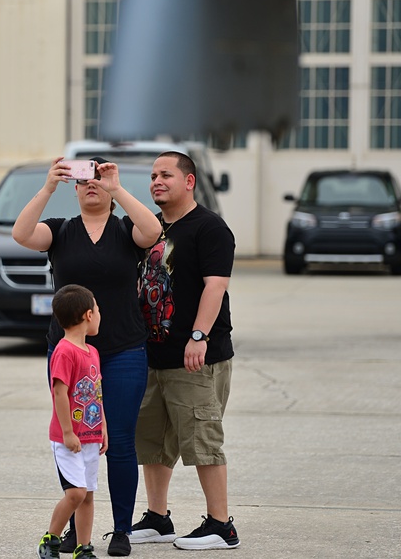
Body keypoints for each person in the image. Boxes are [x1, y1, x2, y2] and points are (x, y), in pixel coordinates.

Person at [14, 157, 162, 558]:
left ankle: (121, 530)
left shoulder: (125, 230)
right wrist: (48, 186)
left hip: (124, 349)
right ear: (75, 188)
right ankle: (75, 530)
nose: (91, 184)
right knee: (75, 438)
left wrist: (117, 188)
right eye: (84, 180)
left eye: (98, 179)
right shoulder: (61, 231)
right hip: (69, 352)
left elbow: (153, 231)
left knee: (121, 441)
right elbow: (21, 234)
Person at [132, 151, 239, 550]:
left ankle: (221, 525)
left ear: (189, 181)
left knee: (202, 439)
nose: (157, 182)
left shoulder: (210, 227)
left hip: (196, 357)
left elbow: (216, 285)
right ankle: (158, 518)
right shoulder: (150, 226)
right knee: (153, 442)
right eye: (153, 176)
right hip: (153, 355)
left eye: (166, 175)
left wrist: (199, 336)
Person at [37, 284, 107, 559]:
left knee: (87, 494)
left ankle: (83, 548)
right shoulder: (65, 351)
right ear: (88, 315)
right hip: (68, 440)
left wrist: (103, 428)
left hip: (90, 437)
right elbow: (59, 392)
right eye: (98, 310)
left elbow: (97, 394)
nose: (100, 315)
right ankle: (51, 538)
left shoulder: (93, 352)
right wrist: (68, 432)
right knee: (76, 493)